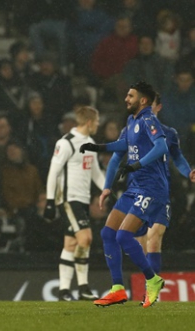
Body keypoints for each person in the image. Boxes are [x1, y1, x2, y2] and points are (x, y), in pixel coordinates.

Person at [80, 81, 168, 308]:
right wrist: (106, 184)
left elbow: (161, 147)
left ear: (143, 101)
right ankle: (118, 289)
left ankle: (153, 279)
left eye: (130, 96)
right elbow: (120, 149)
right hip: (135, 187)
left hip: (151, 188)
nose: (126, 99)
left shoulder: (149, 120)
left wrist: (137, 165)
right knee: (108, 233)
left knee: (123, 236)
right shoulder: (130, 122)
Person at [132, 94, 195, 295]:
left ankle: (153, 291)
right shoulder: (133, 131)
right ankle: (149, 280)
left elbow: (178, 159)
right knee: (141, 242)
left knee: (154, 237)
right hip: (139, 191)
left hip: (161, 191)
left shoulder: (169, 133)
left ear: (158, 107)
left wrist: (189, 172)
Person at [43, 106, 105, 301]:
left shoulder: (90, 143)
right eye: (96, 121)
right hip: (69, 199)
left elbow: (95, 173)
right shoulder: (66, 143)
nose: (97, 124)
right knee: (85, 238)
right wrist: (50, 201)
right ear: (89, 122)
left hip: (83, 199)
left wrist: (107, 189)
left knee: (70, 243)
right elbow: (53, 171)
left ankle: (64, 290)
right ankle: (83, 286)